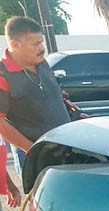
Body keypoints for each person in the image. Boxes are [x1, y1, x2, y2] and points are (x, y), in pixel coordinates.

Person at [0, 16, 71, 176]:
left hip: (64, 147)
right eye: (36, 44)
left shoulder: (42, 63)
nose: (42, 48)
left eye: (41, 42)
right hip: (34, 156)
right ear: (14, 44)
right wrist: (33, 151)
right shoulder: (3, 75)